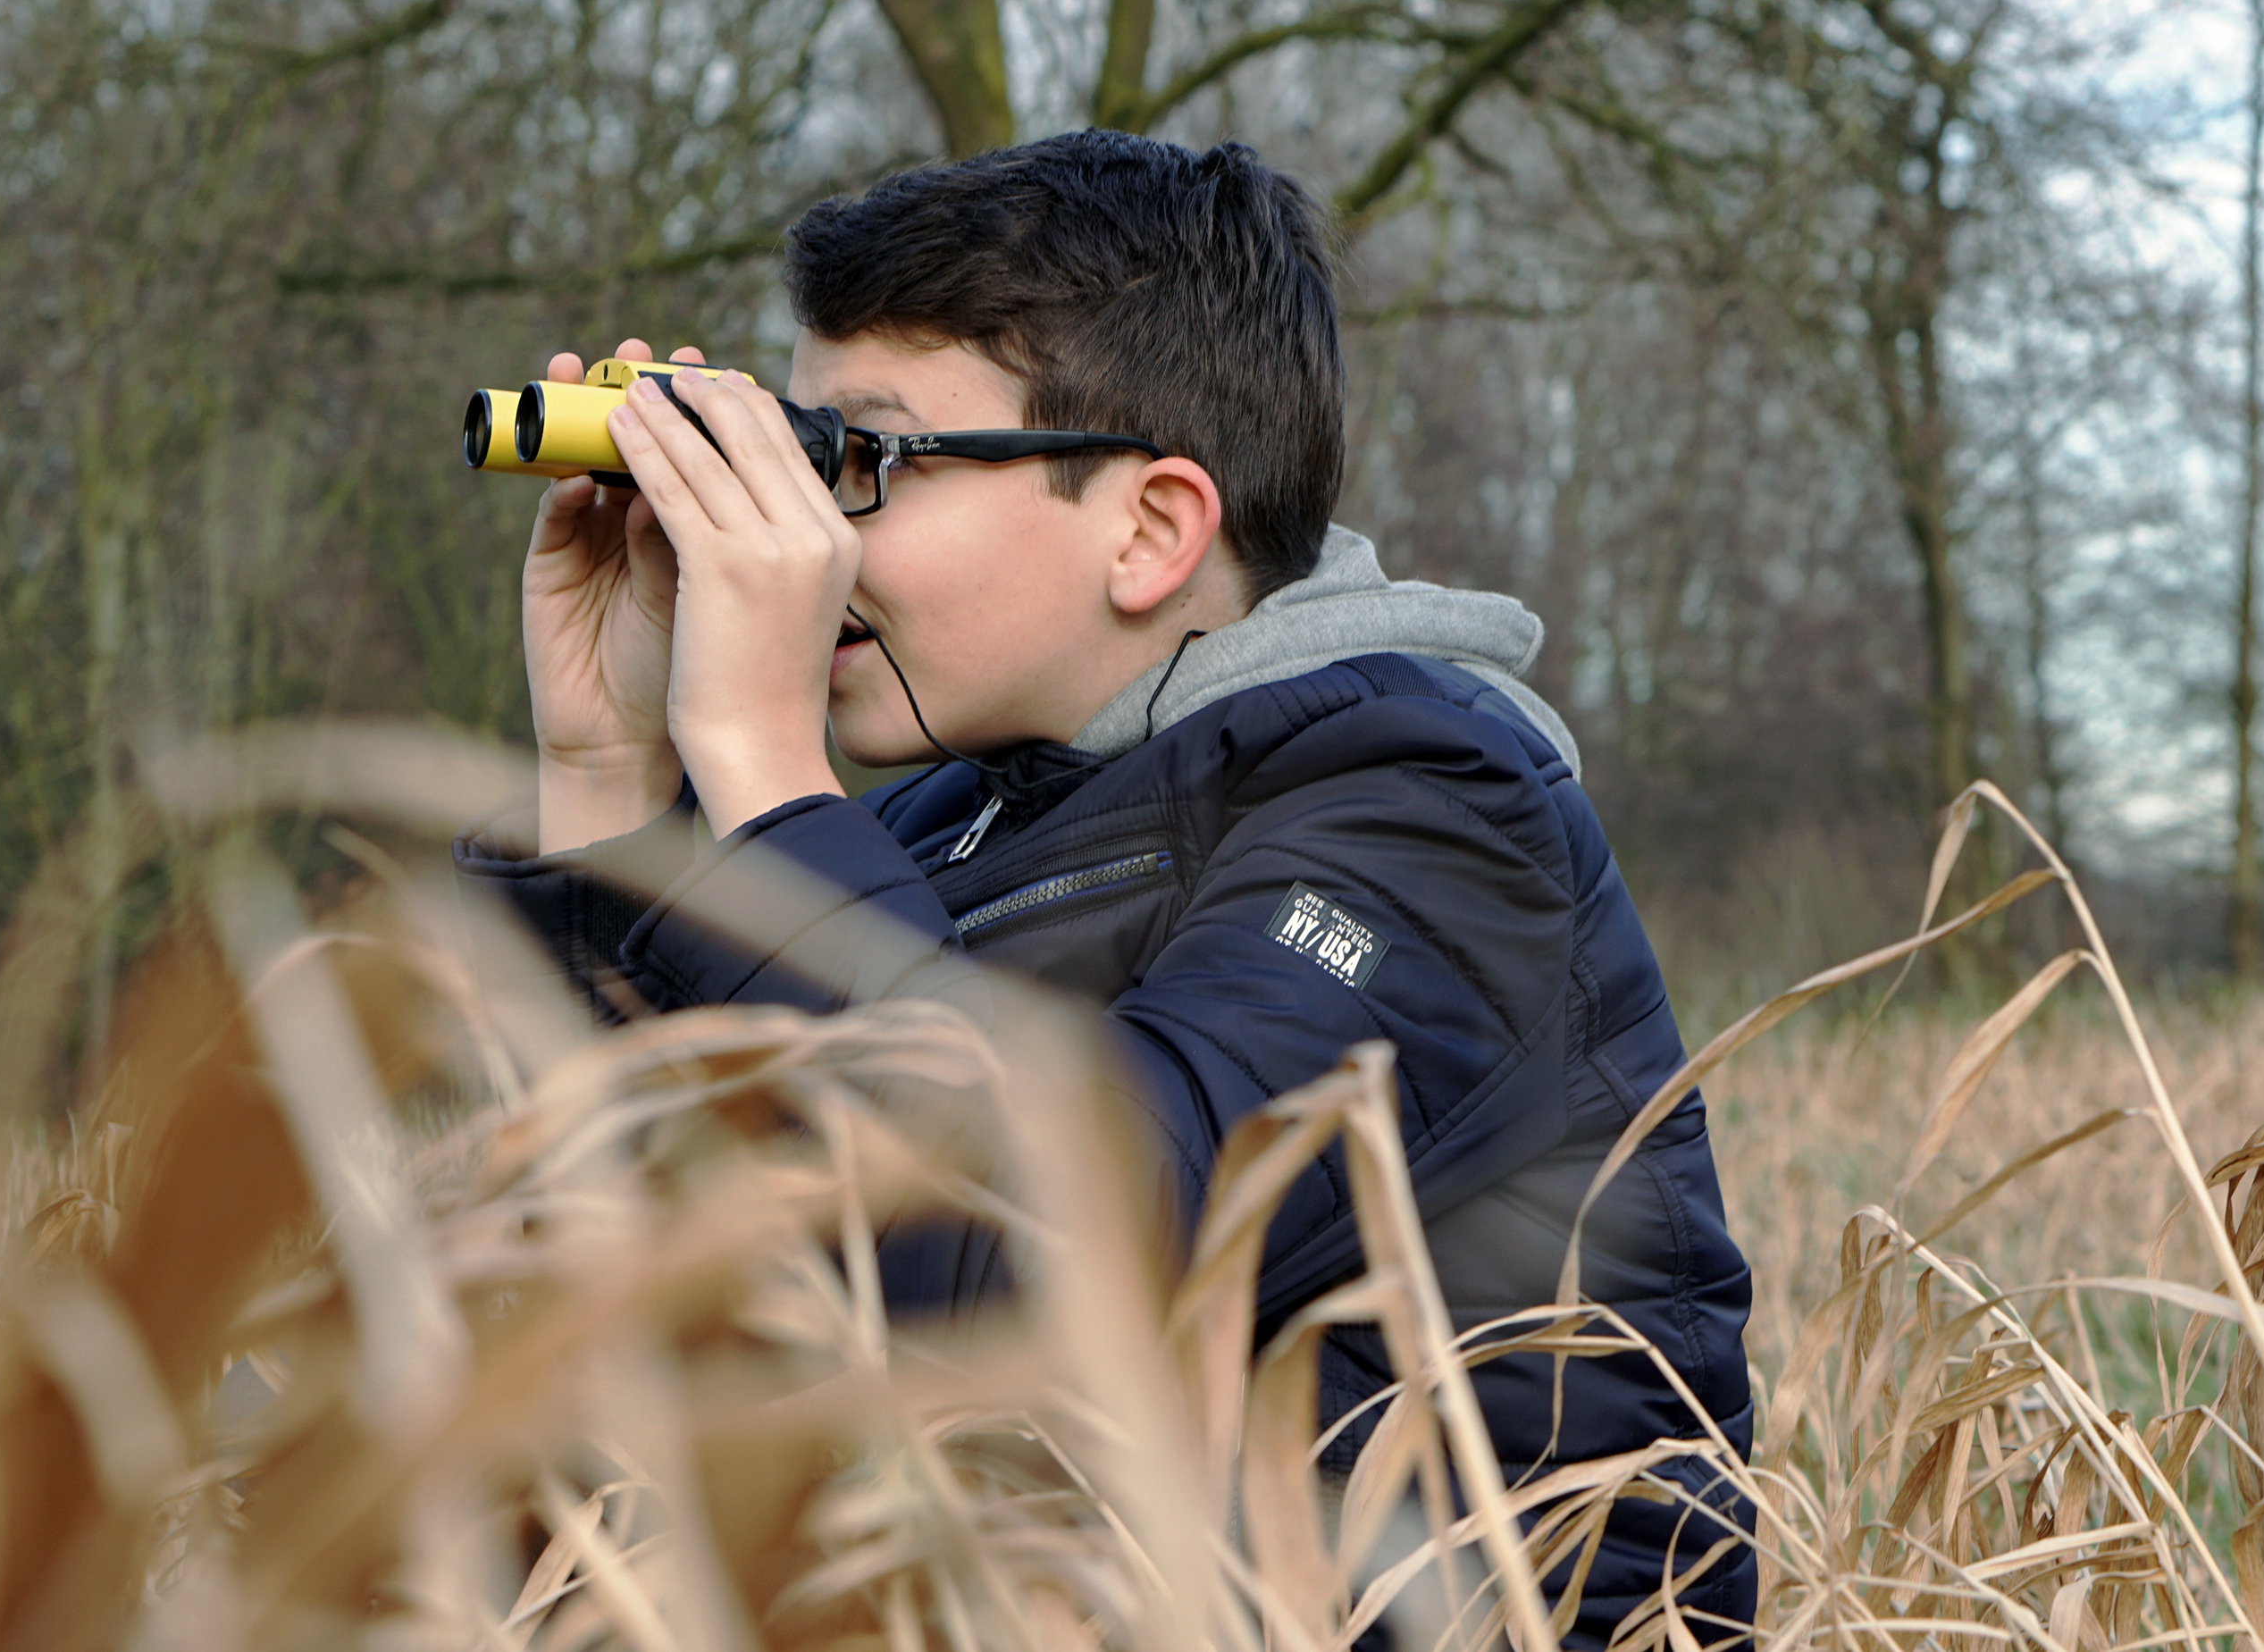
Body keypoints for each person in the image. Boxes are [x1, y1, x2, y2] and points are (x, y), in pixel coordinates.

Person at [456, 130, 1756, 1643]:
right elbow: (627, 1278)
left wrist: (753, 752)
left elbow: (1047, 1255)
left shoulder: (1429, 806)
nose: (804, 533)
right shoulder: (948, 819)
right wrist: (610, 781)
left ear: (1148, 529)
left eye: (859, 463)